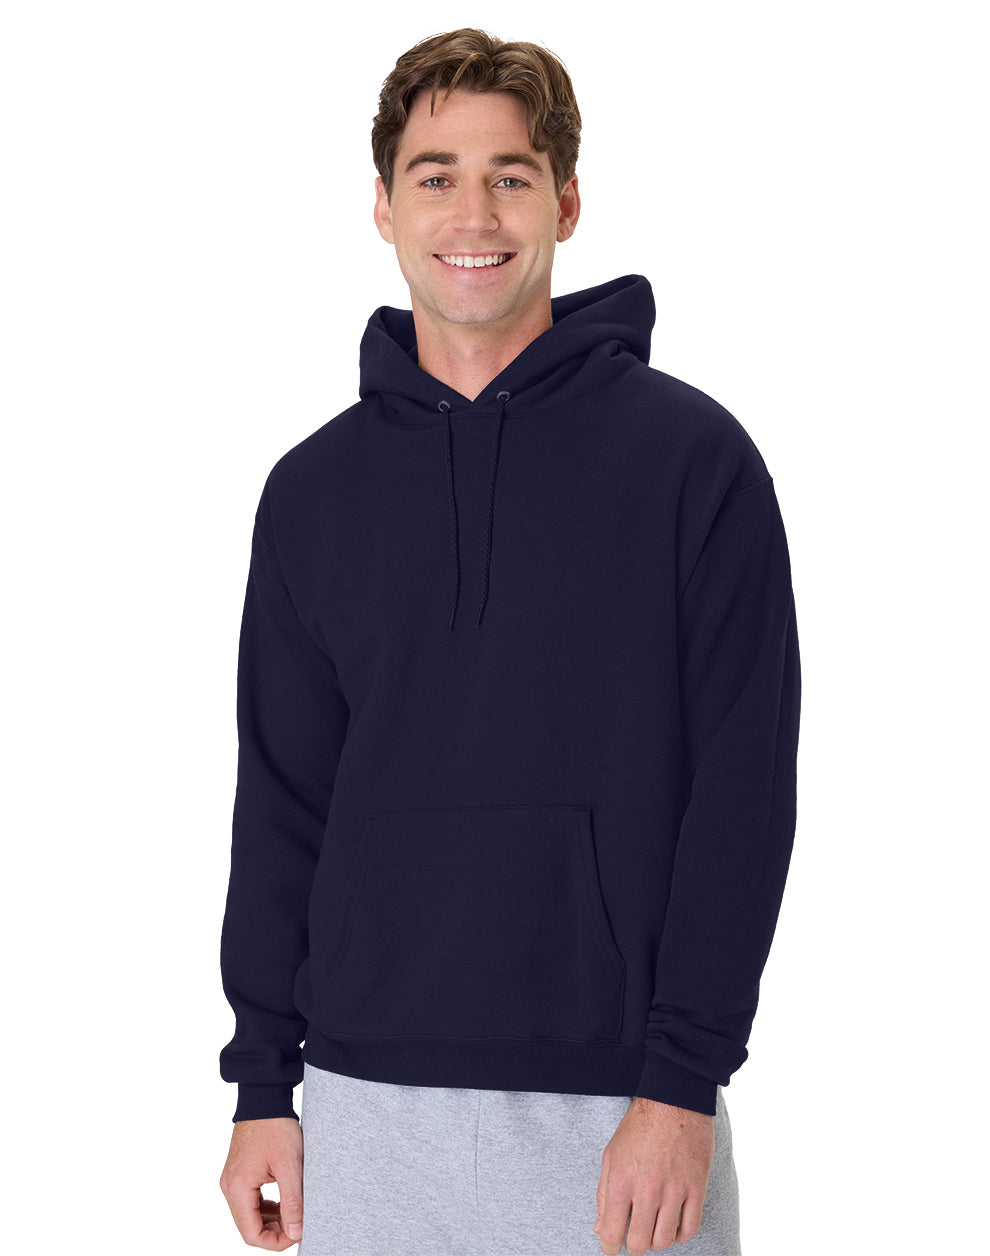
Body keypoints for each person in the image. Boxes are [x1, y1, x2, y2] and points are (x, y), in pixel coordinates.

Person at [218, 27, 801, 1256]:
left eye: (510, 175)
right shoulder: (312, 493)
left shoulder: (693, 465)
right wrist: (264, 1080)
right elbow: (282, 798)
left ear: (565, 203)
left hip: (620, 1107)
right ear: (384, 207)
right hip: (366, 1110)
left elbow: (742, 795)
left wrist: (683, 1081)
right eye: (436, 176)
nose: (472, 213)